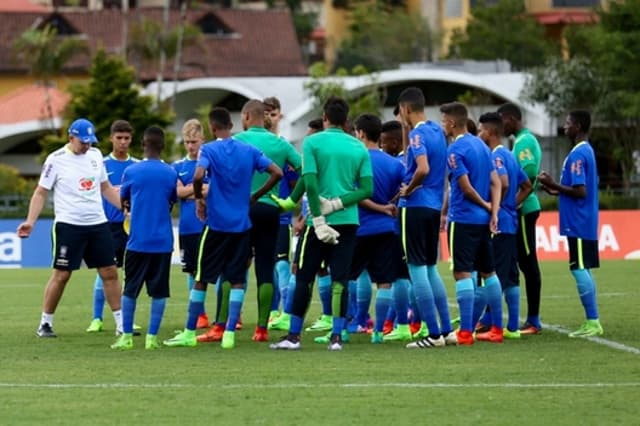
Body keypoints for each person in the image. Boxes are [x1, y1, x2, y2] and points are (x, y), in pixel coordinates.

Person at [164, 107, 282, 350]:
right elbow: (277, 172)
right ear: (232, 124)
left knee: (201, 278)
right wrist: (256, 195)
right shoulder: (247, 149)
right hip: (241, 225)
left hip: (216, 224)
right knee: (237, 278)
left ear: (212, 127)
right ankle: (229, 334)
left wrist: (199, 199)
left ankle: (188, 332)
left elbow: (198, 176)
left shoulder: (209, 149)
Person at [270, 96, 373, 351]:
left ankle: (293, 336)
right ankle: (336, 338)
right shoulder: (358, 147)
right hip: (348, 222)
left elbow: (311, 182)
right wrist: (338, 203)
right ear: (346, 120)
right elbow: (367, 189)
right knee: (340, 279)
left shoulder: (313, 142)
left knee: (304, 277)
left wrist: (317, 217)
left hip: (319, 222)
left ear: (325, 118)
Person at [17, 118, 123, 338]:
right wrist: (30, 221)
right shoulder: (56, 159)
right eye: (83, 141)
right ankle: (45, 323)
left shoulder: (95, 156)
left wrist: (125, 208)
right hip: (68, 225)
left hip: (97, 224)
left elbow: (105, 187)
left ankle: (122, 324)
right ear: (71, 138)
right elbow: (40, 192)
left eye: (90, 142)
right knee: (62, 275)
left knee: (109, 272)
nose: (87, 146)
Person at [234, 99, 301, 342]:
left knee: (236, 268)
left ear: (246, 116)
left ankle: (228, 324)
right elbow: (303, 170)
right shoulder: (280, 144)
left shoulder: (237, 141)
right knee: (265, 268)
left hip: (241, 210)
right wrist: (293, 201)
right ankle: (262, 328)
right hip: (272, 211)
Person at [395, 87, 454, 348]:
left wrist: (409, 189)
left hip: (415, 206)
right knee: (430, 268)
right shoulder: (437, 132)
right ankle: (446, 330)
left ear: (406, 109)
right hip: (433, 206)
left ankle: (432, 334)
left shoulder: (418, 133)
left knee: (416, 269)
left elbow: (423, 168)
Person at [440, 102, 503, 345]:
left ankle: (465, 332)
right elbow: (495, 182)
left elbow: (465, 187)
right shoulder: (482, 146)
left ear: (452, 122)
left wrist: (487, 206)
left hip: (464, 218)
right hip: (483, 221)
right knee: (489, 272)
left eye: (444, 120)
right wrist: (493, 211)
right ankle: (497, 329)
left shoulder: (455, 150)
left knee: (462, 273)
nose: (442, 124)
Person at [537, 110, 603, 338]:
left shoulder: (578, 154)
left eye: (568, 123)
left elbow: (580, 191)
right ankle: (592, 319)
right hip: (581, 219)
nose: (564, 127)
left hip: (580, 221)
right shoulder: (586, 151)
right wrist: (554, 189)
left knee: (578, 268)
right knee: (580, 267)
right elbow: (578, 190)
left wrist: (553, 182)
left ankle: (593, 321)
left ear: (578, 126)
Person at [110, 126, 178, 350]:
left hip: (138, 240)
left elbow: (123, 200)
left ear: (142, 145)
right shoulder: (170, 172)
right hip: (163, 242)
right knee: (159, 291)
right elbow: (171, 200)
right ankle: (152, 338)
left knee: (130, 289)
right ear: (163, 147)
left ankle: (127, 337)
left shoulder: (131, 171)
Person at [347, 113, 404, 344]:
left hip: (359, 228)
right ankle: (379, 332)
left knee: (348, 277)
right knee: (385, 281)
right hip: (386, 229)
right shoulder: (394, 163)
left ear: (360, 133)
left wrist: (380, 207)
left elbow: (356, 194)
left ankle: (345, 327)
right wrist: (390, 204)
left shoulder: (355, 160)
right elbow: (405, 187)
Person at [478, 112, 533, 339]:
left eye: (481, 129)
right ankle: (511, 327)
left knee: (494, 275)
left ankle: (494, 328)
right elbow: (527, 185)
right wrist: (511, 206)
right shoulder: (510, 155)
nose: (479, 133)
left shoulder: (495, 157)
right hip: (510, 221)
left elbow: (504, 182)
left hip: (499, 223)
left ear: (490, 133)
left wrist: (496, 208)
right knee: (510, 275)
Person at [86, 120, 139, 334]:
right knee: (104, 273)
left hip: (130, 226)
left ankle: (125, 320)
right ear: (111, 139)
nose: (123, 142)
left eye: (127, 138)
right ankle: (97, 318)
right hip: (106, 226)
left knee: (128, 274)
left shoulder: (136, 165)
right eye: (119, 138)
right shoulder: (102, 164)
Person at [498, 102, 543, 334]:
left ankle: (534, 319)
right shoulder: (520, 141)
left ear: (511, 118)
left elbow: (531, 171)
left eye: (501, 120)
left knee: (528, 262)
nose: (499, 126)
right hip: (521, 209)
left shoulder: (524, 141)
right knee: (521, 261)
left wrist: (515, 200)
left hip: (524, 209)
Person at [263, 97, 299, 332]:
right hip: (257, 214)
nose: (269, 118)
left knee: (281, 263)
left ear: (280, 117)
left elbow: (298, 180)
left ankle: (286, 311)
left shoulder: (285, 148)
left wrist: (291, 204)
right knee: (266, 265)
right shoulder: (254, 146)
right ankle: (273, 310)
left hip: (280, 217)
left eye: (273, 114)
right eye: (266, 113)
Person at [173, 119, 209, 329]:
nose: (190, 146)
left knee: (219, 271)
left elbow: (211, 189)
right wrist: (199, 189)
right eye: (187, 142)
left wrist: (189, 189)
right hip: (187, 227)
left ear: (202, 140)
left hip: (210, 225)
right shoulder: (177, 166)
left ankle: (231, 316)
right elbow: (176, 192)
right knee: (191, 271)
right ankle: (200, 314)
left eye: (194, 141)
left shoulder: (210, 162)